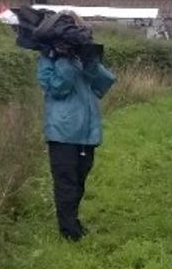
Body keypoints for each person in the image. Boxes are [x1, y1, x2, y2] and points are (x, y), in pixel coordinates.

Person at [37, 43, 116, 241]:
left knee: (79, 180)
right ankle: (69, 232)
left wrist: (91, 61)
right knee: (66, 182)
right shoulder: (48, 58)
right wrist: (64, 59)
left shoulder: (82, 56)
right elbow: (57, 88)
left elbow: (103, 84)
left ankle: (73, 222)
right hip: (62, 132)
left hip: (86, 132)